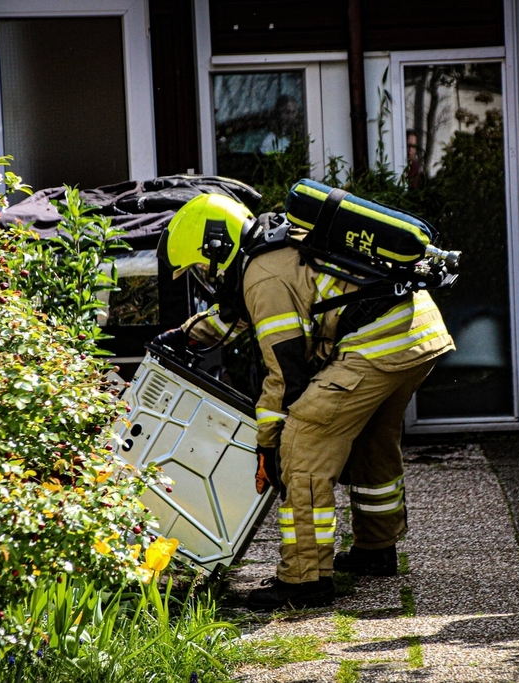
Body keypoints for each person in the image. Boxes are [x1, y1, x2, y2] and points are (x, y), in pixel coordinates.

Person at [153, 193, 454, 611]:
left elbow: (287, 375)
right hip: (419, 334)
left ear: (216, 246)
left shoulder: (262, 274)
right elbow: (238, 312)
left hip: (378, 345)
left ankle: (304, 580)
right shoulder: (271, 248)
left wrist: (269, 443)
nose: (205, 276)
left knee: (304, 442)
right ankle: (376, 549)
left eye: (201, 266)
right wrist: (185, 335)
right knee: (371, 439)